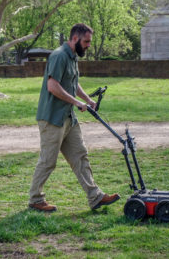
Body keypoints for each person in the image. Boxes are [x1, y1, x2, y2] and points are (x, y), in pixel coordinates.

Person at [28, 23, 120, 212]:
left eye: (89, 42)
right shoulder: (59, 56)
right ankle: (35, 199)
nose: (88, 45)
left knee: (80, 156)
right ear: (75, 38)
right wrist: (77, 103)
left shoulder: (72, 57)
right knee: (48, 161)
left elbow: (73, 83)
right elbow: (52, 86)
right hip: (52, 118)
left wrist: (87, 100)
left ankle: (95, 197)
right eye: (86, 42)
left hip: (68, 118)